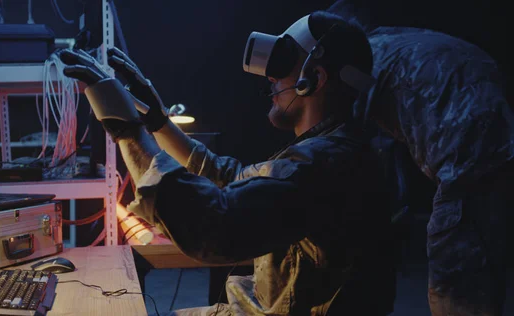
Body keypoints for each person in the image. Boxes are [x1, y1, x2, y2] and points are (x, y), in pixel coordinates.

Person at [58, 11, 396, 315]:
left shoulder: (323, 164)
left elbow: (216, 229)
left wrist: (127, 131)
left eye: (282, 64)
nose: (270, 78)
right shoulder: (336, 151)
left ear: (314, 80)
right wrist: (159, 123)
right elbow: (231, 178)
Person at [326, 1, 514, 315]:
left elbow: (342, 137)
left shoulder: (361, 61)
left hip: (468, 168)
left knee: (456, 280)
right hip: (502, 151)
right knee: (485, 265)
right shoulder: (409, 40)